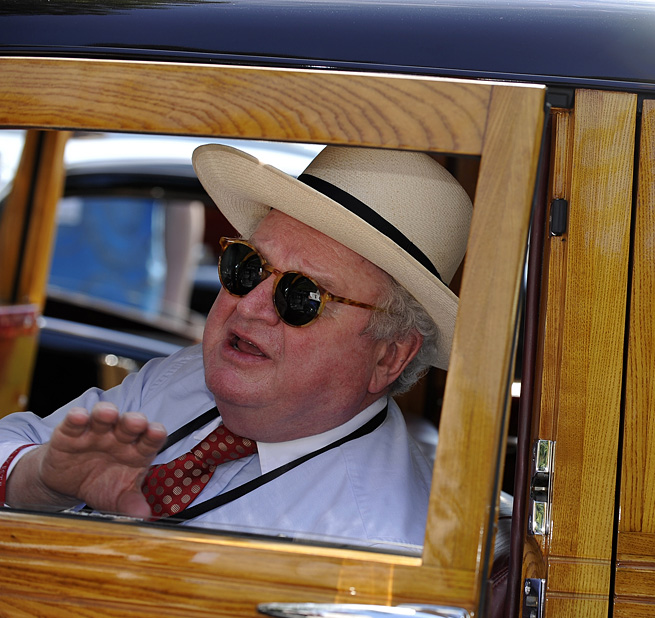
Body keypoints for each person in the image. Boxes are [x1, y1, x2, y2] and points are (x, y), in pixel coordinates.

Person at [0, 142, 473, 549]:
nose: (250, 307)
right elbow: (13, 441)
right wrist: (41, 480)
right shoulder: (183, 378)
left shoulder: (373, 545)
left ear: (390, 355)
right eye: (247, 266)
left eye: (302, 296)